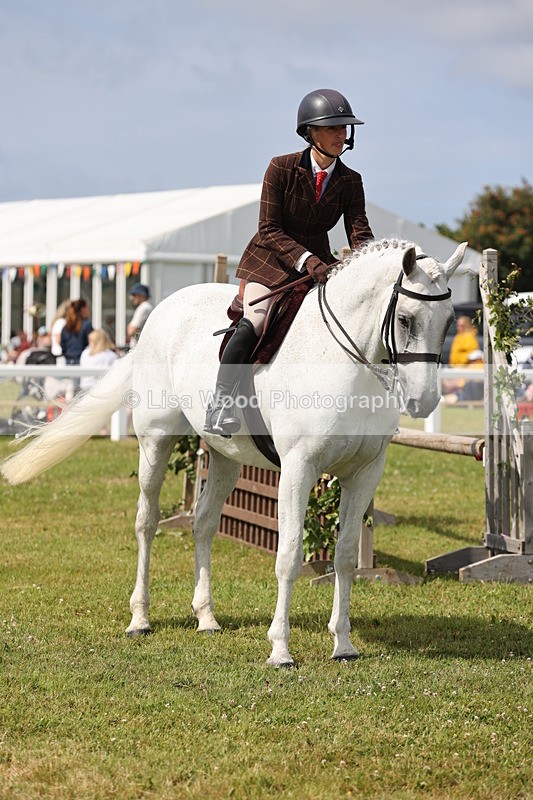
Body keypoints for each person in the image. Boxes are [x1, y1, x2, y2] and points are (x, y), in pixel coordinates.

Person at [204, 88, 374, 436]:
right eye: (332, 128)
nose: (341, 134)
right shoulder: (280, 167)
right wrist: (306, 259)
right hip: (269, 259)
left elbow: (359, 233)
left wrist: (374, 264)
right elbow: (267, 228)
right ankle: (221, 402)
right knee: (256, 319)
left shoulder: (351, 181)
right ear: (310, 132)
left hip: (318, 263)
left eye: (345, 128)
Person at [60, 299, 93, 365]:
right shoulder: (86, 326)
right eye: (87, 308)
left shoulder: (66, 327)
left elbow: (63, 345)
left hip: (68, 361)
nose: (88, 311)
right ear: (82, 309)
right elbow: (91, 343)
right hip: (82, 361)